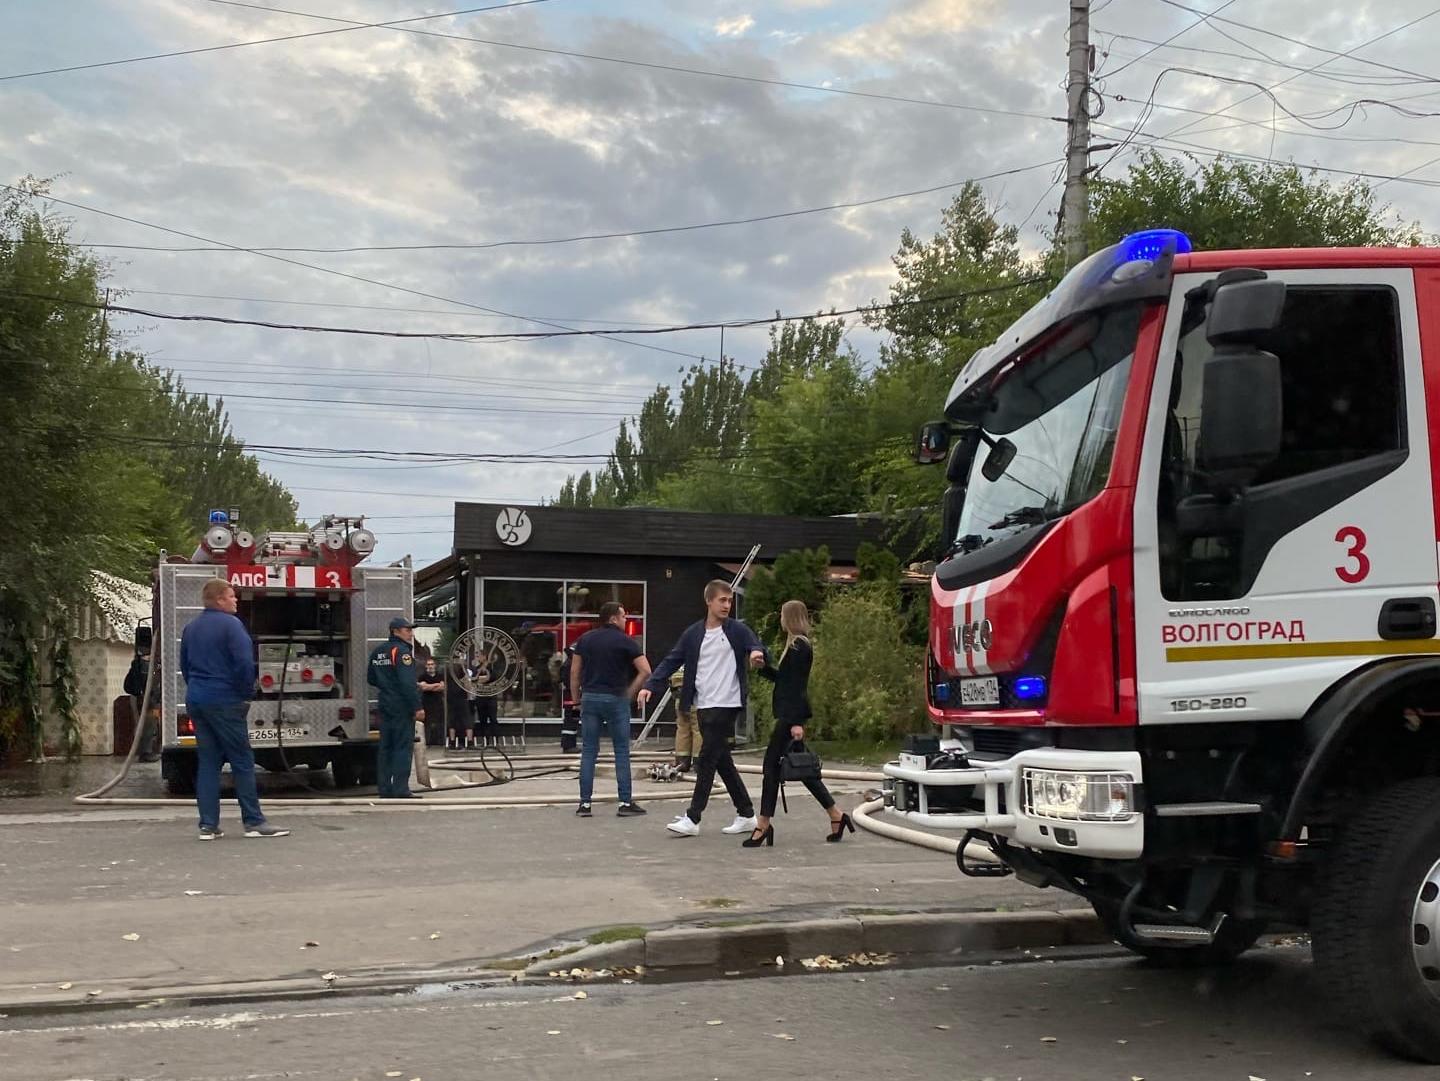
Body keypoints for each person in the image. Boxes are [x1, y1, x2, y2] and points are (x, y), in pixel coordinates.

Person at [640, 581, 767, 838]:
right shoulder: (693, 634)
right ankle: (746, 814)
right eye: (722, 600)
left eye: (729, 601)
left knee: (707, 759)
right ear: (708, 601)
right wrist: (650, 685)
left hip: (727, 703)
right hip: (703, 704)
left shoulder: (737, 630)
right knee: (723, 762)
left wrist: (755, 654)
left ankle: (693, 817)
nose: (726, 605)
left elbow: (756, 645)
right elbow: (672, 659)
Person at [179, 580, 288, 839]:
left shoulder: (191, 628)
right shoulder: (232, 625)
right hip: (225, 700)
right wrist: (244, 694)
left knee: (208, 762)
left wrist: (197, 688)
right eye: (231, 596)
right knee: (242, 761)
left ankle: (208, 825)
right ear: (219, 600)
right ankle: (254, 821)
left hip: (197, 698)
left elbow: (185, 664)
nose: (235, 600)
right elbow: (244, 664)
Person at [746, 600, 851, 848]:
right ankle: (836, 815)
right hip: (789, 716)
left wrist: (796, 722)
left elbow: (796, 688)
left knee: (771, 767)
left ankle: (763, 824)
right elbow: (785, 681)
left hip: (790, 718)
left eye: (783, 615)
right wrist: (762, 669)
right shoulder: (796, 646)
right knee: (803, 770)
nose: (781, 620)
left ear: (789, 618)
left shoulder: (798, 647)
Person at [571, 602, 652, 817]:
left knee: (589, 751)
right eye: (624, 616)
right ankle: (625, 803)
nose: (626, 620)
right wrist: (630, 692)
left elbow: (575, 672)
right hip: (616, 699)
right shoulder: (627, 642)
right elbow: (645, 670)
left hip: (590, 698)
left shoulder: (585, 640)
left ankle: (585, 805)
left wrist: (577, 700)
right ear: (614, 618)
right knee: (621, 752)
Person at [367, 616, 424, 799]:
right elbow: (407, 683)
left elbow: (371, 679)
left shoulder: (378, 652)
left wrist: (387, 686)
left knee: (385, 747)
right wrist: (417, 707)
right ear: (396, 631)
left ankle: (384, 788)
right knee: (402, 747)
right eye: (407, 630)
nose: (411, 633)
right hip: (400, 705)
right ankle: (400, 789)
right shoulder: (402, 652)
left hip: (384, 703)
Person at [669, 666, 700, 773]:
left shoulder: (679, 666)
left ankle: (682, 762)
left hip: (679, 701)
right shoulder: (698, 661)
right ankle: (699, 763)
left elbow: (671, 683)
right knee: (698, 730)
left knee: (682, 729)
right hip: (696, 700)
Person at [417, 656, 446, 747]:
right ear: (426, 666)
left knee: (440, 722)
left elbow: (443, 687)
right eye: (428, 664)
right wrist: (437, 685)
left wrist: (429, 686)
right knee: (427, 723)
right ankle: (427, 742)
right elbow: (423, 688)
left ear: (435, 666)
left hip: (438, 702)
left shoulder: (441, 676)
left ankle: (441, 742)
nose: (430, 666)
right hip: (426, 702)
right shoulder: (422, 676)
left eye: (432, 664)